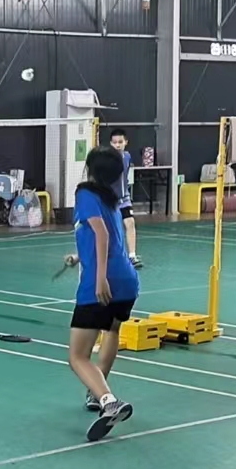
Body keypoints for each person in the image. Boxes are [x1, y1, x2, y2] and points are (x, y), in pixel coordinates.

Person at [69, 148, 139, 442]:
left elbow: (103, 235)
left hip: (102, 283)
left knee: (77, 356)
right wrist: (78, 256)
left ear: (91, 169)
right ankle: (97, 393)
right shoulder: (111, 198)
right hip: (127, 282)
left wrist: (99, 279)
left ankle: (109, 402)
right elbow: (109, 238)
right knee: (111, 331)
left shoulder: (85, 193)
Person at [108, 128, 144, 266]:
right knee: (111, 228)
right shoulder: (106, 159)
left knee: (130, 223)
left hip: (124, 198)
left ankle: (132, 256)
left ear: (126, 142)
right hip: (110, 199)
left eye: (120, 142)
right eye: (114, 142)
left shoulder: (127, 157)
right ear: (110, 143)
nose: (117, 145)